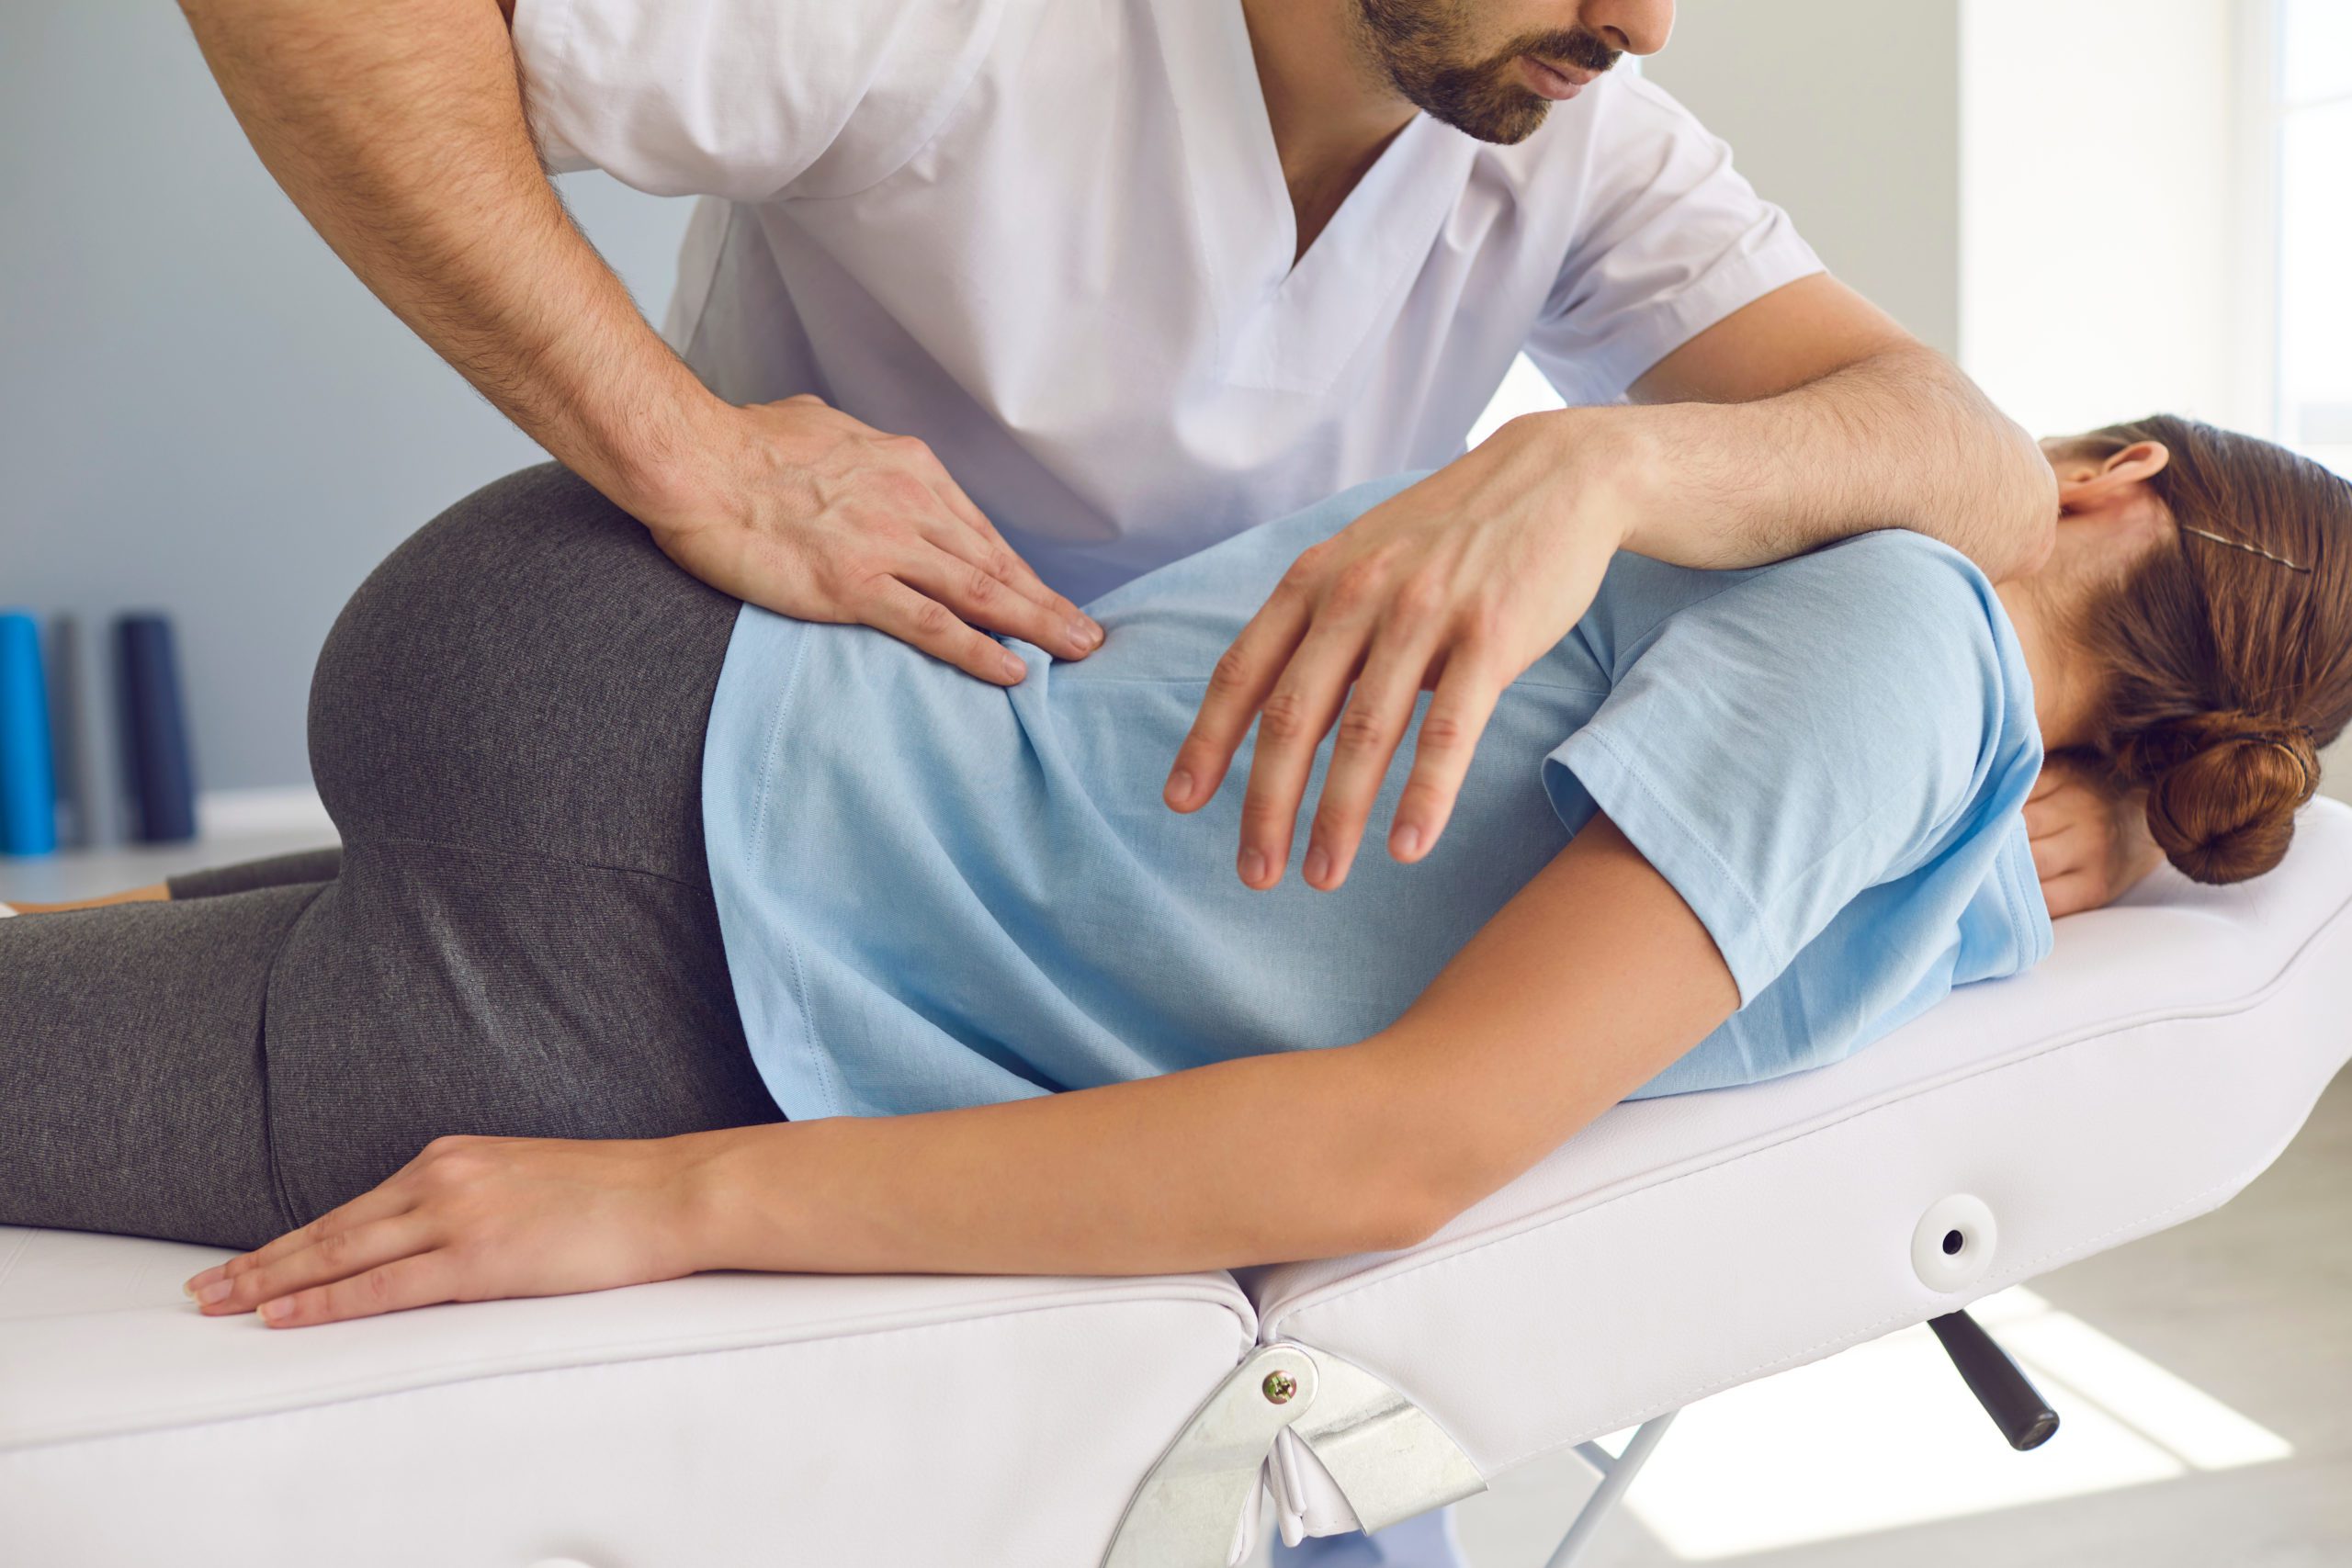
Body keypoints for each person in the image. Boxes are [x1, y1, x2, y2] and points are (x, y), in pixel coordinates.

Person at [6, 416, 2346, 1360]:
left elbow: (1400, 1134)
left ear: (2104, 468)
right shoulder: (1916, 674)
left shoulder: (1910, 687)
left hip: (649, 767)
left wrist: (658, 1201)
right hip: (665, 878)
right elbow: (1405, 1136)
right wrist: (661, 1199)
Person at [175, 0, 2157, 931]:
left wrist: (1595, 468)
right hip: (756, 780)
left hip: (1155, 866)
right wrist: (688, 454)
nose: (1637, 19)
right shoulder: (964, 23)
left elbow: (1968, 464)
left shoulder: (1570, 142)